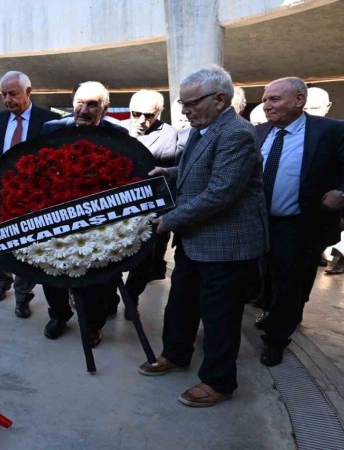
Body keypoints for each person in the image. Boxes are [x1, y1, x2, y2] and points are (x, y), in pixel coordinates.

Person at [139, 66, 267, 408]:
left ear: (219, 100)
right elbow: (199, 167)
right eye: (182, 103)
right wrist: (170, 172)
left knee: (219, 316)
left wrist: (169, 220)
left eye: (191, 103)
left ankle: (218, 380)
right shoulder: (203, 128)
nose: (184, 111)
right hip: (196, 238)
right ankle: (175, 354)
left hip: (226, 244)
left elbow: (220, 192)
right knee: (181, 302)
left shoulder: (237, 134)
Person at [255, 77, 344, 367]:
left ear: (299, 100)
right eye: (265, 99)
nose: (266, 105)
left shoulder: (331, 131)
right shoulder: (258, 132)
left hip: (299, 225)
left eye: (275, 99)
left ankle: (277, 340)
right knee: (264, 277)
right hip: (258, 222)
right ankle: (274, 314)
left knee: (290, 283)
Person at [39, 81, 135, 347]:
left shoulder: (118, 134)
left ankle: (93, 325)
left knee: (95, 279)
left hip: (98, 221)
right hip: (56, 216)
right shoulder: (52, 129)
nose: (84, 110)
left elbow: (126, 176)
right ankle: (59, 315)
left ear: (105, 108)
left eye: (92, 105)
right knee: (51, 272)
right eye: (80, 103)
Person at [0, 71, 60, 318]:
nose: (8, 100)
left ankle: (23, 296)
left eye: (13, 94)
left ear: (28, 92)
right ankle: (2, 281)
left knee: (26, 244)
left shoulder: (49, 121)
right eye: (4, 95)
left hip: (32, 198)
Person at [112, 90, 180, 317]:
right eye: (136, 113)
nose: (142, 120)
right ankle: (110, 300)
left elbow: (165, 176)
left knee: (143, 261)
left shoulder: (169, 135)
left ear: (159, 112)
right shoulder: (118, 129)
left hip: (149, 209)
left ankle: (131, 298)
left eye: (149, 115)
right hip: (115, 208)